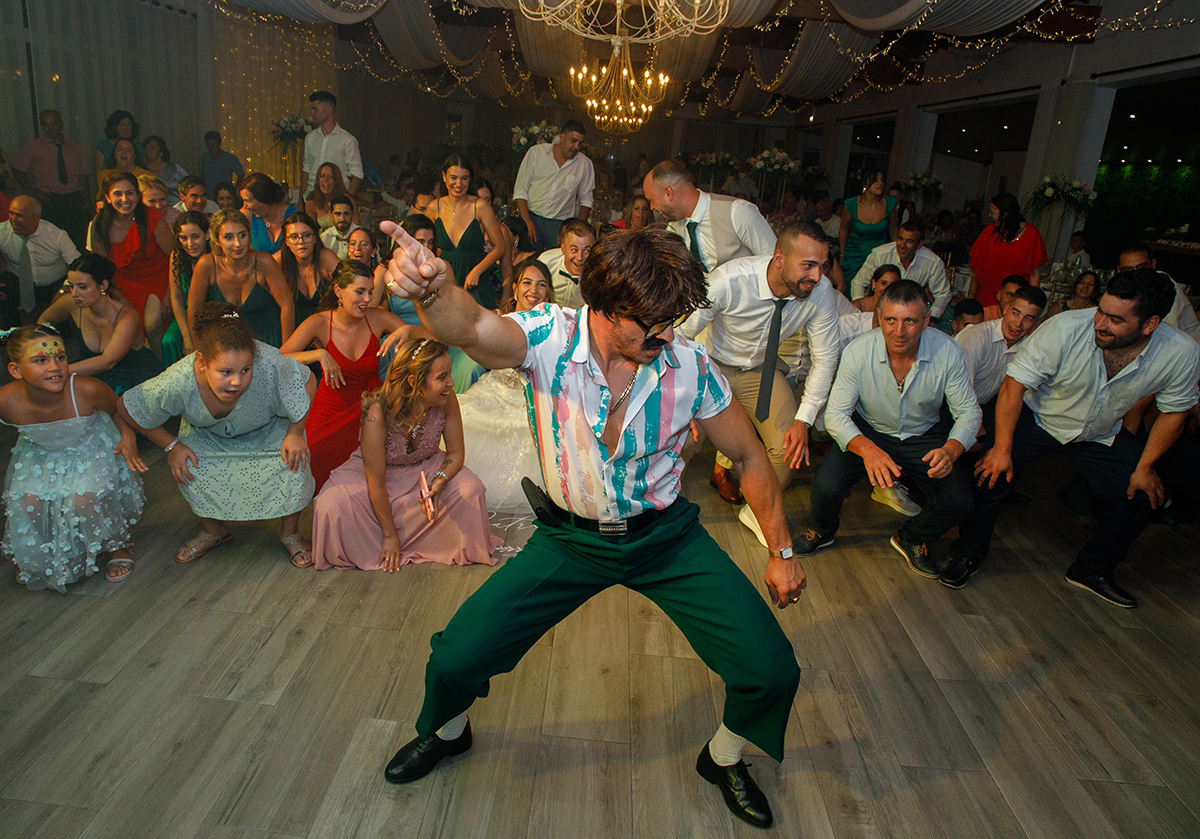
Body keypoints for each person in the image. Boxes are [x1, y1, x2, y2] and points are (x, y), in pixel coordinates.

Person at [378, 223, 804, 830]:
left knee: (772, 668)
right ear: (607, 307)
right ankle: (448, 733)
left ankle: (724, 757)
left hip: (664, 539)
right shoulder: (549, 337)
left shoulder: (690, 365)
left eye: (674, 321)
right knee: (454, 657)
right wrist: (432, 289)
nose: (668, 334)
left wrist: (781, 551)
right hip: (570, 540)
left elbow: (750, 456)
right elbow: (469, 327)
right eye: (653, 324)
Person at [939, 270, 1200, 602]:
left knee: (1140, 497)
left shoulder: (1181, 352)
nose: (1100, 323)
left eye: (1115, 319)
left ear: (1149, 324)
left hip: (1100, 432)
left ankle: (1091, 570)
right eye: (1101, 310)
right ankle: (967, 553)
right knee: (990, 475)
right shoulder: (1065, 328)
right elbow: (1014, 385)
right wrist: (1001, 448)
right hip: (1039, 417)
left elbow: (1175, 412)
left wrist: (1146, 466)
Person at [797, 280, 980, 582]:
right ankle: (821, 529)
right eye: (891, 320)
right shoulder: (857, 351)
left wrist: (952, 449)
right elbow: (836, 415)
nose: (899, 331)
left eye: (910, 321)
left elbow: (969, 412)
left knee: (960, 501)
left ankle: (911, 537)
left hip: (923, 434)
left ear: (927, 319)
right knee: (826, 486)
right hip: (868, 430)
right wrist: (868, 450)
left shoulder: (947, 351)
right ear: (879, 317)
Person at [118, 301, 317, 567]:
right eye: (226, 372)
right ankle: (213, 532)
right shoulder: (179, 379)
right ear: (202, 362)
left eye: (246, 370)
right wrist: (171, 446)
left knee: (294, 460)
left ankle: (290, 534)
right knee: (189, 466)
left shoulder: (268, 360)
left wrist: (294, 433)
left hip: (267, 433)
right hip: (207, 438)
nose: (237, 381)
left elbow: (307, 381)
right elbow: (129, 407)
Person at [679, 221, 841, 522]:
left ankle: (756, 512)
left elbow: (825, 358)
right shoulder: (729, 280)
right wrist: (677, 394)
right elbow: (680, 334)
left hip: (761, 372)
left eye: (822, 266)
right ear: (779, 258)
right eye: (808, 265)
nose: (817, 276)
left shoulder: (820, 292)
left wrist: (804, 421)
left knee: (790, 450)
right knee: (680, 440)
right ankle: (658, 509)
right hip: (710, 368)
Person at [311, 335, 500, 571]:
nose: (451, 383)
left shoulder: (447, 399)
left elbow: (455, 453)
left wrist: (439, 481)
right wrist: (390, 535)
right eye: (442, 377)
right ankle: (386, 544)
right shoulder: (377, 414)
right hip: (378, 475)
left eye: (449, 374)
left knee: (471, 490)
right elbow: (376, 483)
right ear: (414, 382)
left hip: (428, 467)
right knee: (331, 505)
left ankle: (436, 544)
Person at [0, 323, 144, 588]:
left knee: (83, 501)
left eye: (60, 357)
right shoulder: (6, 401)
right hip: (40, 456)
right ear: (15, 370)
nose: (54, 367)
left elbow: (117, 410)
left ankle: (116, 544)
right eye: (40, 360)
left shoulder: (85, 389)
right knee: (28, 502)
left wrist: (128, 437)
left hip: (89, 450)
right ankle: (42, 551)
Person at [281, 259, 419, 490]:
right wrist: (319, 354)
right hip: (331, 409)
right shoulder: (320, 322)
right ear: (339, 291)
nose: (367, 299)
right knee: (309, 455)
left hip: (371, 409)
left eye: (370, 292)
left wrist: (409, 329)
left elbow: (430, 336)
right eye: (360, 292)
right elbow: (280, 357)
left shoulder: (376, 318)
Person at [458, 258, 555, 514]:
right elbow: (462, 330)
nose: (533, 290)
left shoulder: (554, 325)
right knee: (462, 416)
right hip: (495, 391)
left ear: (548, 291)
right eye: (527, 283)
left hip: (533, 396)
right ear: (515, 288)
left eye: (541, 284)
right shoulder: (498, 319)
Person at [38, 253, 163, 394]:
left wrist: (59, 370)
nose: (74, 293)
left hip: (132, 379)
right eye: (71, 286)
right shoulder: (71, 304)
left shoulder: (127, 316)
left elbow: (107, 361)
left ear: (103, 286)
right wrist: (48, 352)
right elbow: (42, 322)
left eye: (82, 287)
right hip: (92, 375)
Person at [87, 172, 172, 350]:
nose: (125, 199)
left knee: (151, 325)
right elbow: (101, 267)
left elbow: (175, 255)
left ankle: (163, 363)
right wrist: (115, 293)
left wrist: (170, 294)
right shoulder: (99, 224)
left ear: (138, 196)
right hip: (121, 284)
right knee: (128, 331)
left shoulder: (151, 217)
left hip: (158, 278)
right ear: (107, 198)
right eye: (117, 194)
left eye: (130, 193)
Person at [643, 160, 776, 274]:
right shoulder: (674, 227)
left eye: (651, 200)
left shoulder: (737, 211)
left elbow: (775, 263)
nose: (652, 207)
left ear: (668, 193)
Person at [188, 208, 294, 347]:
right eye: (228, 237)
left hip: (268, 341)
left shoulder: (264, 262)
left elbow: (287, 305)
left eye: (242, 235)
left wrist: (286, 351)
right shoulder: (206, 265)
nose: (237, 244)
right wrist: (200, 348)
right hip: (227, 345)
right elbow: (193, 310)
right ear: (217, 240)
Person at [426, 155, 506, 311]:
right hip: (444, 283)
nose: (458, 184)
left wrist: (477, 271)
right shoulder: (434, 207)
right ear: (444, 177)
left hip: (475, 283)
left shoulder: (480, 206)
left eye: (464, 178)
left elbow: (500, 247)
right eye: (453, 178)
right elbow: (423, 244)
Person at [955, 285, 1047, 414]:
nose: (1018, 324)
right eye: (1015, 313)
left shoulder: (1028, 347)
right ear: (1006, 309)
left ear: (1037, 322)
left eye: (1028, 319)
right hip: (955, 407)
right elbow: (959, 390)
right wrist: (974, 421)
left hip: (985, 407)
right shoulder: (976, 337)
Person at [12, 109, 93, 249]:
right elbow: (18, 169)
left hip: (73, 198)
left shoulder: (73, 147)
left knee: (78, 241)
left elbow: (83, 175)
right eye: (45, 124)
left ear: (61, 124)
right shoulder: (35, 146)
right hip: (49, 199)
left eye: (53, 124)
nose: (50, 128)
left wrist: (86, 200)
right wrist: (31, 191)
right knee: (49, 243)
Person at [513, 119, 595, 253]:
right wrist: (526, 220)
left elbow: (586, 200)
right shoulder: (536, 153)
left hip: (559, 225)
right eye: (573, 141)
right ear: (562, 137)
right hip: (532, 218)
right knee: (529, 260)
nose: (576, 146)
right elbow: (520, 191)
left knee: (556, 262)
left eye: (580, 143)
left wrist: (577, 231)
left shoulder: (584, 164)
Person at [0, 195, 80, 325]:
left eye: (20, 215)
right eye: (11, 213)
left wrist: (65, 288)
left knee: (65, 301)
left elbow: (78, 265)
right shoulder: (2, 231)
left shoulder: (56, 235)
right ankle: (12, 331)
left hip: (53, 284)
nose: (13, 219)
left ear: (36, 217)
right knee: (3, 289)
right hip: (19, 281)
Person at [851, 221, 952, 318]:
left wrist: (930, 317)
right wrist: (861, 311)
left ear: (920, 244)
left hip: (909, 312)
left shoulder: (932, 262)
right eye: (900, 238)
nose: (902, 245)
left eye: (909, 241)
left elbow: (943, 294)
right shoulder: (880, 255)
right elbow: (858, 283)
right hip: (876, 310)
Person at [967, 192, 1049, 307]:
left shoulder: (1031, 234)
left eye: (992, 212)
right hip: (985, 296)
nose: (990, 215)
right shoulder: (989, 231)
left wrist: (1032, 302)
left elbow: (1034, 273)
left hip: (1014, 299)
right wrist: (970, 295)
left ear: (1005, 213)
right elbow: (977, 268)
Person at [1116, 243, 1200, 341]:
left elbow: (1166, 331)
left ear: (1153, 264)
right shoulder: (1123, 285)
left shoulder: (1165, 287)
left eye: (1142, 267)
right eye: (1128, 269)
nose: (1136, 274)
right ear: (1119, 270)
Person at [162, 211, 208, 365]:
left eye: (195, 237)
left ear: (207, 235)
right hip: (186, 315)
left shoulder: (216, 256)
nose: (190, 244)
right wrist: (186, 335)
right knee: (169, 340)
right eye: (183, 238)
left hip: (212, 315)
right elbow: (176, 298)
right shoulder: (176, 257)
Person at [277, 212, 339, 326]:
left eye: (306, 235)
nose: (301, 242)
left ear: (314, 237)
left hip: (327, 327)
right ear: (286, 241)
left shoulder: (325, 257)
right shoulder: (280, 260)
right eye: (294, 237)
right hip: (294, 328)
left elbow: (350, 286)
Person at [839, 168, 898, 286]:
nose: (880, 183)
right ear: (865, 184)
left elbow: (893, 229)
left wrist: (895, 253)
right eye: (875, 180)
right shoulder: (851, 204)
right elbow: (843, 229)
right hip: (854, 256)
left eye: (882, 180)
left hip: (880, 256)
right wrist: (842, 254)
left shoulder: (889, 203)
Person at [301, 91, 363, 199]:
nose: (311, 113)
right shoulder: (310, 138)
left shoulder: (347, 140)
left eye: (315, 109)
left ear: (328, 109)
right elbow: (306, 171)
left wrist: (346, 201)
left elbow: (357, 174)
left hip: (336, 199)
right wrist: (301, 202)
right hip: (312, 198)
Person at [537, 218, 595, 310]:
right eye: (574, 250)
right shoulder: (546, 263)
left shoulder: (599, 276)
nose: (579, 257)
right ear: (563, 249)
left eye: (586, 251)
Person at [240, 172, 296, 256]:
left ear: (263, 198)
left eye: (247, 201)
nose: (245, 206)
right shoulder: (248, 214)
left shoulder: (294, 217)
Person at [305, 161, 359, 232]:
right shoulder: (312, 201)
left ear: (336, 181)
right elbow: (309, 231)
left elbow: (356, 228)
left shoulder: (347, 199)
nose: (325, 180)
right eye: (322, 176)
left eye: (330, 177)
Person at [346, 227, 390, 308]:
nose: (357, 248)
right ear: (348, 249)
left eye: (364, 244)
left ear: (373, 250)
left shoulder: (380, 276)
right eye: (353, 244)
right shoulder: (341, 276)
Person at [93, 110, 141, 176]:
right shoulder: (103, 146)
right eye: (122, 124)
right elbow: (98, 173)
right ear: (115, 127)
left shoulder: (139, 147)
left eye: (129, 124)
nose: (126, 128)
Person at [200, 131, 244, 198]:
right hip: (208, 194)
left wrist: (234, 189)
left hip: (224, 194)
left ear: (219, 144)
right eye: (208, 145)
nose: (211, 148)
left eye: (213, 145)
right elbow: (203, 174)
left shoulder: (229, 158)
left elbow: (241, 174)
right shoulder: (205, 157)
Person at [319, 194, 360, 260]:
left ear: (352, 216)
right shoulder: (324, 238)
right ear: (331, 216)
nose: (342, 219)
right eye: (338, 214)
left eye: (346, 214)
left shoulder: (362, 236)